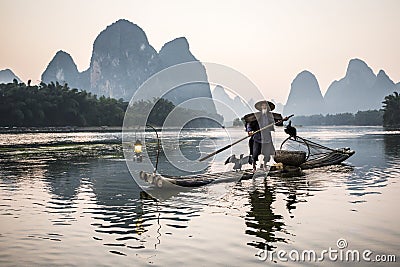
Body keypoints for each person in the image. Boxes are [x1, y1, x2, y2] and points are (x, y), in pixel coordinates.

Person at [244, 100, 282, 172]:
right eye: (263, 106)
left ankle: (264, 166)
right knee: (254, 153)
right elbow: (249, 123)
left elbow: (278, 122)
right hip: (257, 137)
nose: (264, 107)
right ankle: (254, 167)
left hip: (267, 137)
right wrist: (249, 131)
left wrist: (281, 121)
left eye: (266, 106)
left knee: (267, 153)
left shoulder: (270, 116)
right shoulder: (256, 116)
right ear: (261, 107)